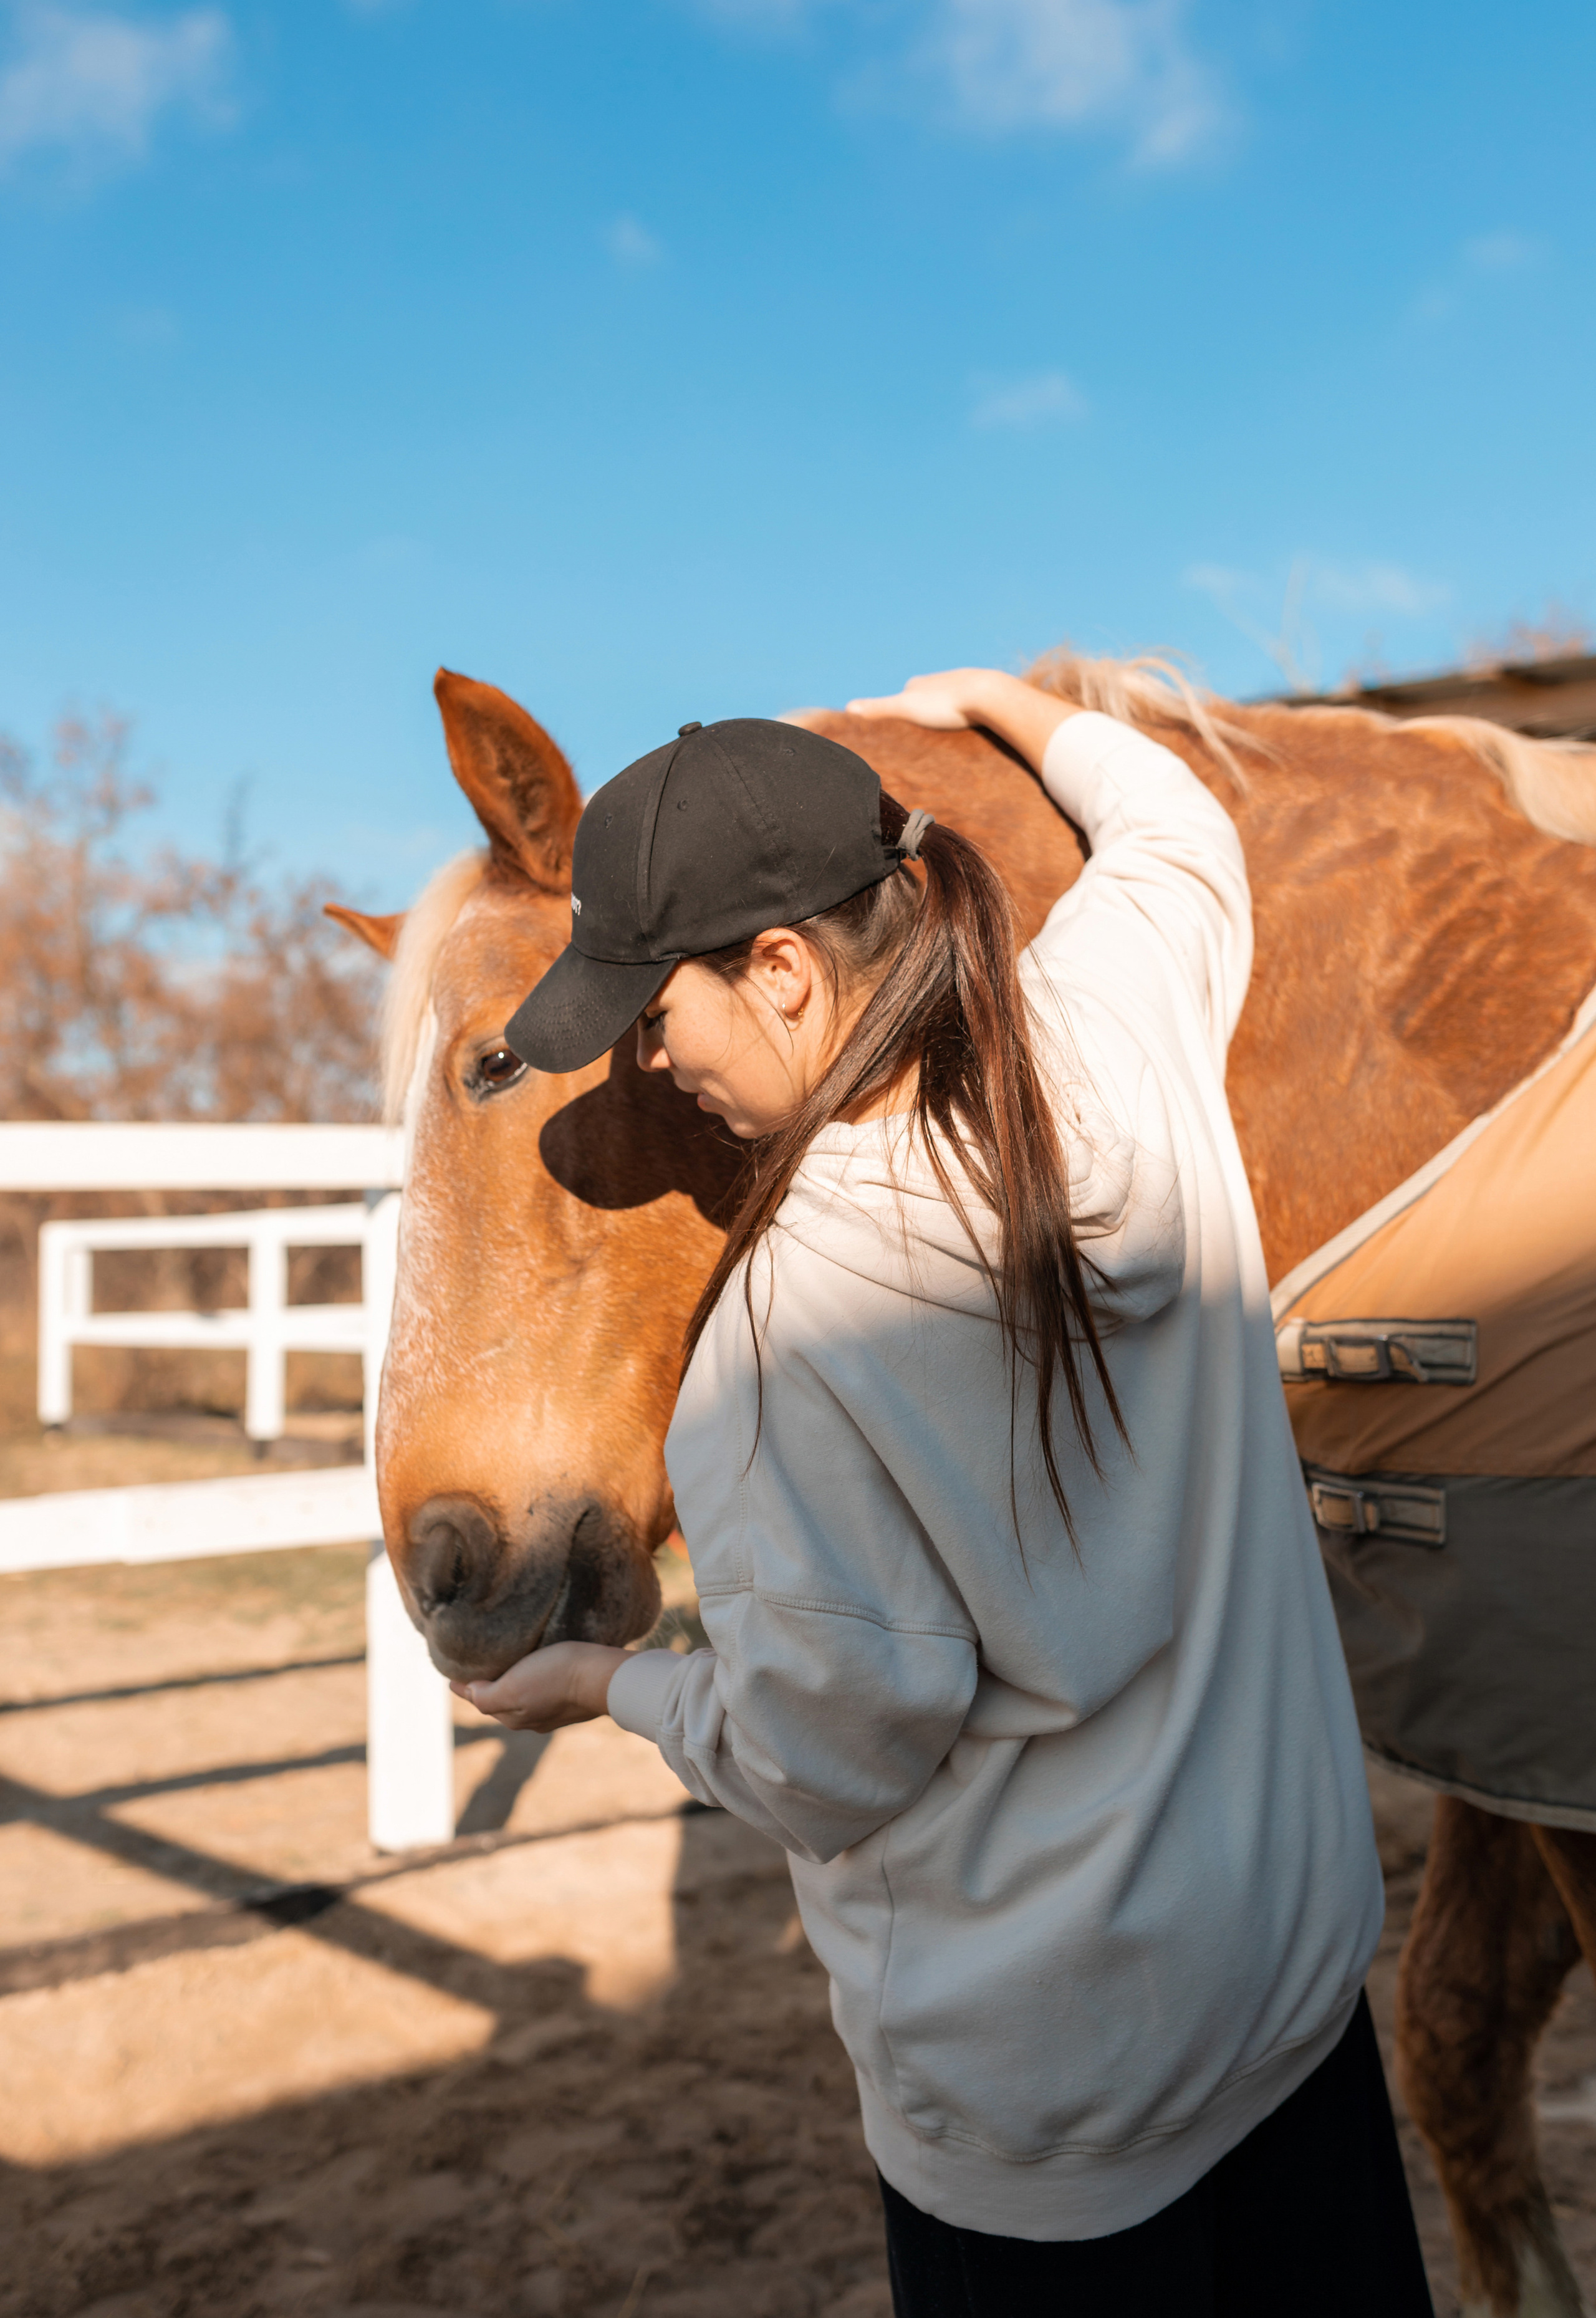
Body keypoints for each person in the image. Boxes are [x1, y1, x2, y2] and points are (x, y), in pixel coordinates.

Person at [464, 668, 1433, 2317]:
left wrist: (612, 1687)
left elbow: (828, 1752)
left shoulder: (785, 1328)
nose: (649, 1057)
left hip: (1055, 2119)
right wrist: (1012, 701)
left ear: (782, 972)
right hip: (1294, 2006)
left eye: (655, 1010)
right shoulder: (1114, 1032)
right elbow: (1176, 833)